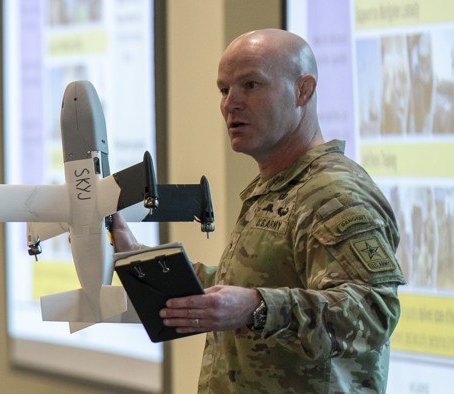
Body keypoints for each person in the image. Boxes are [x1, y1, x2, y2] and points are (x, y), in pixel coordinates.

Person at [112, 29, 405, 393]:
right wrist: (136, 257)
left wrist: (256, 306)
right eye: (224, 90)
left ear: (303, 91)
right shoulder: (279, 185)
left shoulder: (333, 193)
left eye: (251, 85)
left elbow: (374, 311)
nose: (230, 104)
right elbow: (247, 285)